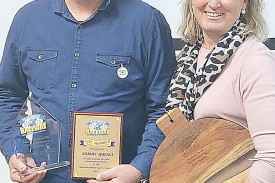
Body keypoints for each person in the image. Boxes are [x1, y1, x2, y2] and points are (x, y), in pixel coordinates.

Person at [0, 0, 176, 182]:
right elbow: (7, 95)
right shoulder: (28, 19)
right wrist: (16, 151)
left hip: (117, 177)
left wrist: (139, 168)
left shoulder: (147, 22)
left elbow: (164, 108)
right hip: (46, 176)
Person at [165, 0, 275, 182]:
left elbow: (272, 158)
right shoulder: (189, 55)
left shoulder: (255, 62)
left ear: (245, 3)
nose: (214, 4)